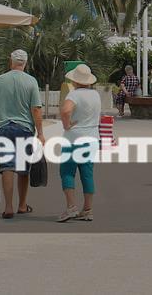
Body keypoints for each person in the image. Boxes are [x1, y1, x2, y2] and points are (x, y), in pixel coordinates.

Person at [0, 49, 45, 220]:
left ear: (10, 61)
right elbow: (36, 109)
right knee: (22, 169)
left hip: (4, 128)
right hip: (24, 129)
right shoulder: (31, 81)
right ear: (25, 63)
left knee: (6, 167)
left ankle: (8, 207)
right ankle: (22, 205)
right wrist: (40, 133)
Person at [58, 63, 100, 221]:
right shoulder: (95, 95)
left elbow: (65, 111)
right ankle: (87, 209)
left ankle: (71, 207)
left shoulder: (74, 95)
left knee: (67, 172)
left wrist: (66, 125)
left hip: (74, 139)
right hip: (92, 138)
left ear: (75, 80)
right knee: (87, 174)